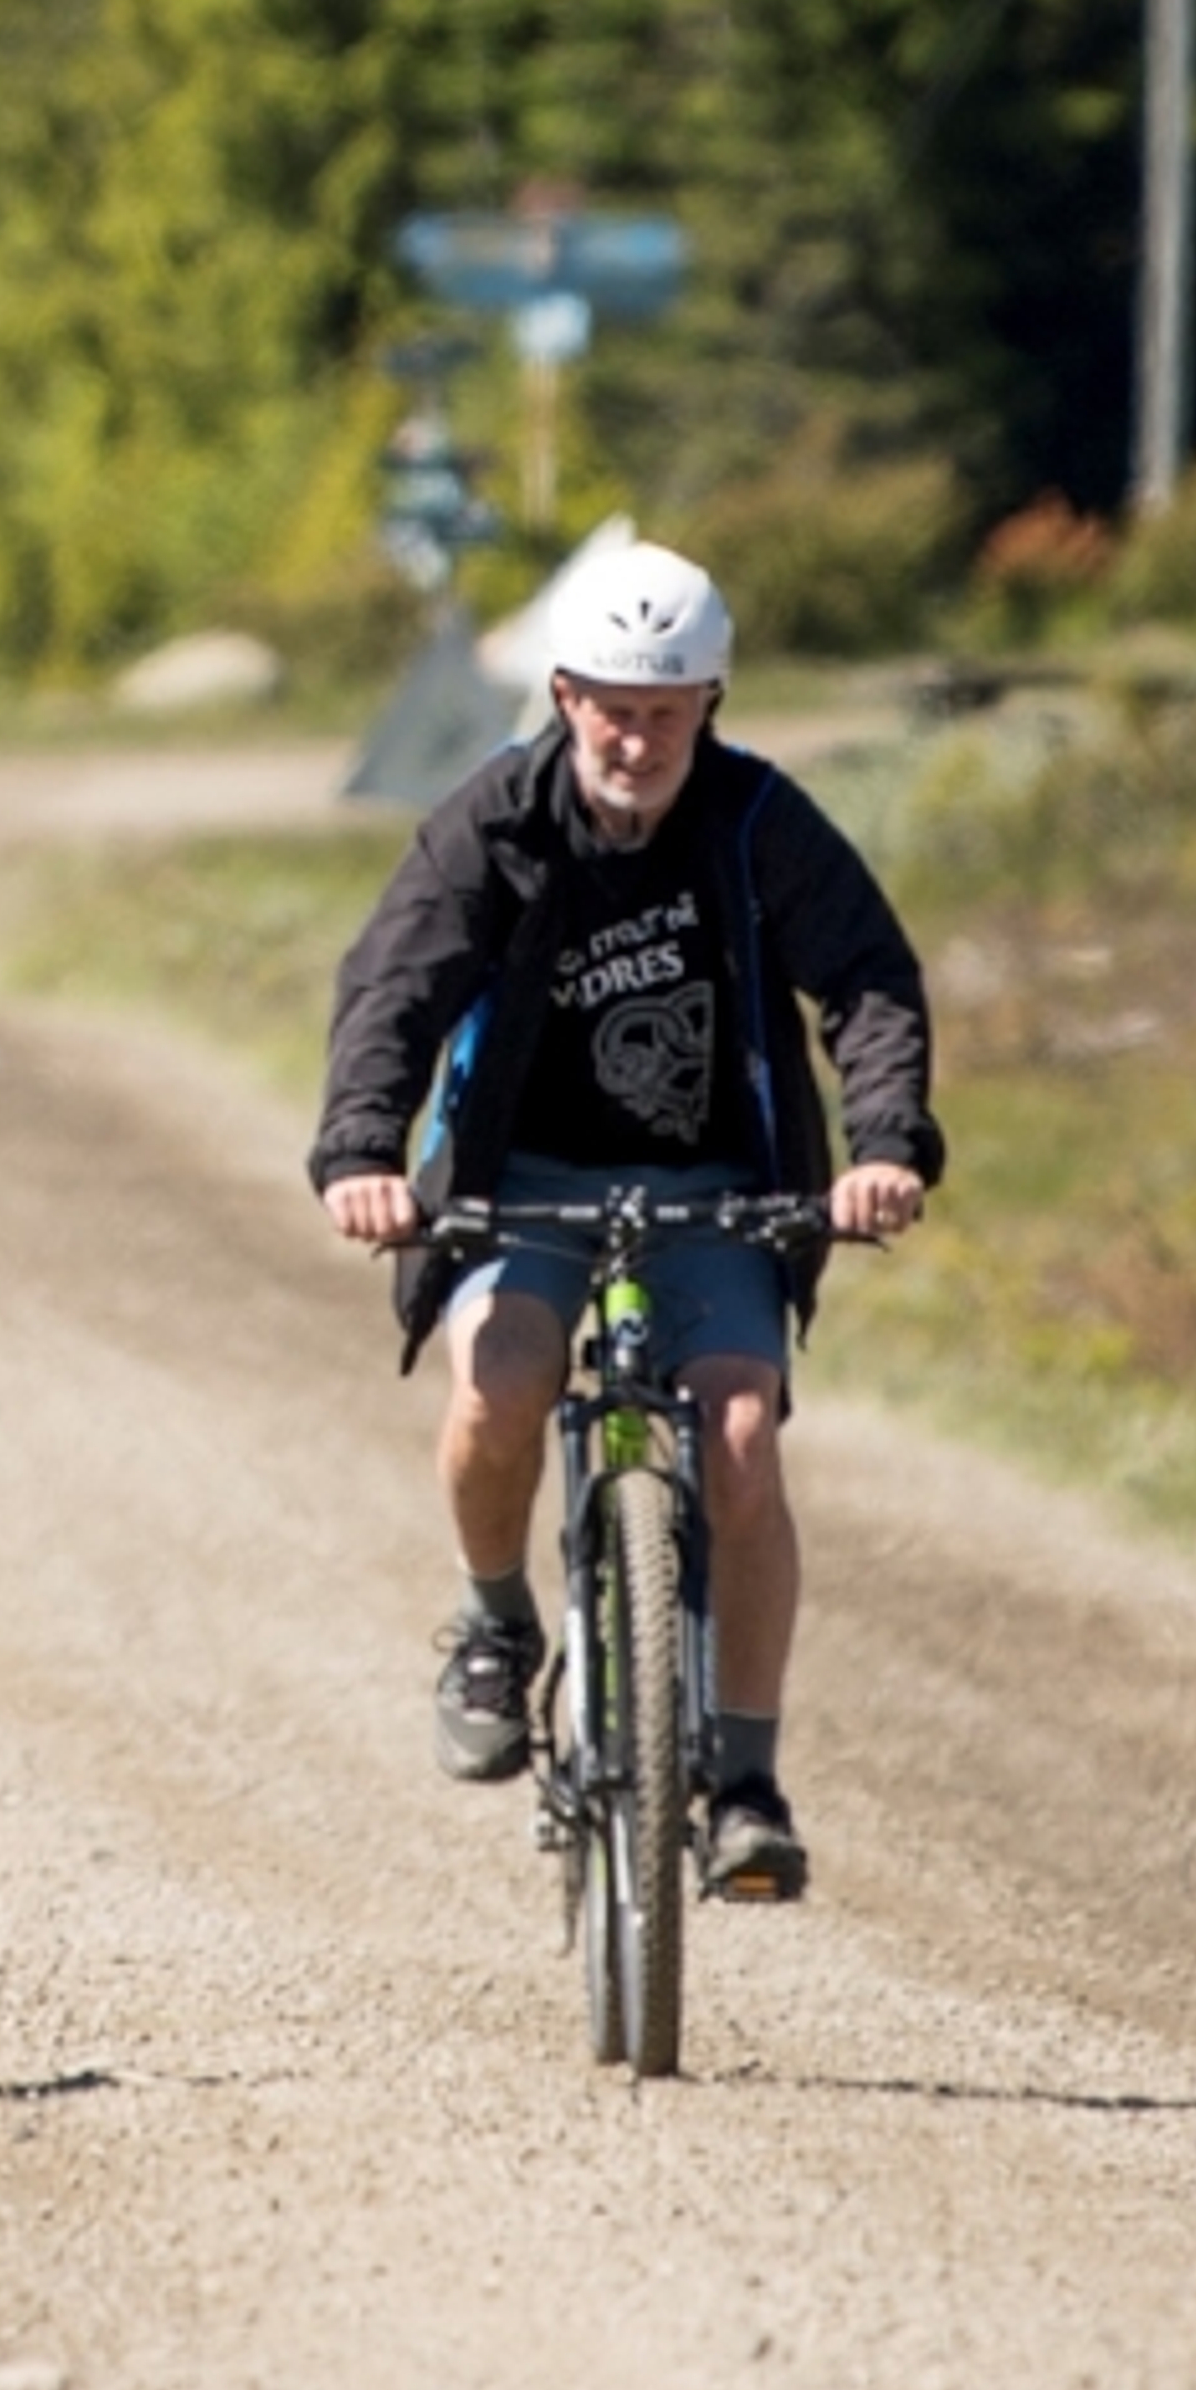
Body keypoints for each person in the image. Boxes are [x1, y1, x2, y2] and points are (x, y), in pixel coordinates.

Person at [310, 539, 939, 1901]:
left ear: (709, 704)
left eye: (665, 710)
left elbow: (871, 983)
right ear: (563, 694)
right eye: (610, 705)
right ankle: (493, 1628)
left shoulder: (763, 823)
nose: (636, 738)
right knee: (505, 1383)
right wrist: (364, 1151)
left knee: (741, 1440)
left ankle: (747, 1782)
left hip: (718, 1185)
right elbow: (392, 992)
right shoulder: (491, 824)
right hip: (518, 1180)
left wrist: (885, 1146)